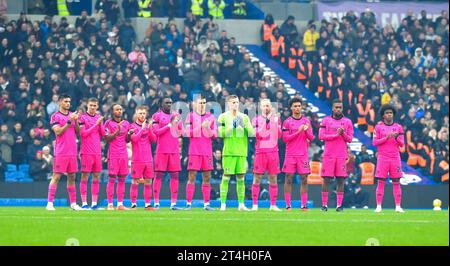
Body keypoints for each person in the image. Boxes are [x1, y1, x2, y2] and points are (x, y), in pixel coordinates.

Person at [218, 95, 255, 211]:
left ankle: (241, 204)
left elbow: (252, 133)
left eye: (237, 102)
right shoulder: (222, 117)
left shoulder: (244, 117)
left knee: (241, 178)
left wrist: (244, 126)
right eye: (233, 102)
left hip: (241, 152)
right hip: (229, 152)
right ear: (228, 103)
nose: (236, 104)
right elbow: (220, 133)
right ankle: (223, 204)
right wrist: (233, 126)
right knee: (226, 177)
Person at [46, 94, 81, 211]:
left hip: (72, 152)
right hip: (61, 152)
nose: (68, 103)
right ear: (60, 102)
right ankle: (50, 203)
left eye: (69, 101)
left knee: (72, 177)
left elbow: (78, 132)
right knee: (56, 176)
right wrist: (68, 122)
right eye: (66, 101)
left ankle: (73, 204)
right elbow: (58, 132)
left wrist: (75, 121)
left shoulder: (72, 115)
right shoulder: (55, 116)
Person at [319, 99, 354, 212]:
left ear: (342, 108)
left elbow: (350, 139)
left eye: (340, 107)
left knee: (340, 180)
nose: (338, 109)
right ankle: (324, 205)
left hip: (341, 155)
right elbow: (321, 136)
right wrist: (335, 135)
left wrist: (343, 133)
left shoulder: (348, 122)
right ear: (333, 108)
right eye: (336, 107)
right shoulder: (325, 120)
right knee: (326, 180)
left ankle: (339, 206)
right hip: (328, 155)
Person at [184, 94, 217, 211]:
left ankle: (206, 204)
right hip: (194, 152)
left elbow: (215, 135)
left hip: (207, 152)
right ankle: (188, 204)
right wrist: (201, 127)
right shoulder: (190, 116)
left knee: (207, 178)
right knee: (191, 177)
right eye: (200, 103)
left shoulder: (211, 117)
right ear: (195, 104)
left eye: (203, 103)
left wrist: (207, 128)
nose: (202, 105)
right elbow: (188, 133)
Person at [282, 98, 314, 211]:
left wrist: (306, 131)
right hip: (290, 154)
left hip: (303, 154)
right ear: (291, 108)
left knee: (304, 179)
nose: (297, 108)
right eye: (295, 106)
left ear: (301, 107)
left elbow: (311, 138)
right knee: (288, 178)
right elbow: (285, 139)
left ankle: (304, 205)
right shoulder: (287, 122)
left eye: (299, 106)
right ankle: (288, 205)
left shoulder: (306, 121)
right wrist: (298, 132)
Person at [152, 97, 184, 210]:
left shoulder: (176, 115)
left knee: (175, 176)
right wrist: (169, 125)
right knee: (158, 176)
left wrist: (177, 125)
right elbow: (156, 132)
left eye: (171, 102)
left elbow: (181, 132)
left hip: (174, 151)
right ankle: (156, 202)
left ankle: (173, 204)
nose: (169, 104)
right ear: (161, 104)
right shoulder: (157, 116)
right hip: (161, 150)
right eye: (167, 103)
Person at [373, 104, 405, 213]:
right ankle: (378, 206)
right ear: (383, 115)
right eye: (387, 113)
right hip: (383, 158)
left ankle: (398, 207)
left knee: (396, 181)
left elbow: (402, 144)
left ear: (393, 114)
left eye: (390, 113)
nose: (389, 114)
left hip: (395, 158)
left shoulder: (398, 127)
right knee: (381, 181)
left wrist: (396, 137)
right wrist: (385, 138)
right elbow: (375, 142)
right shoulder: (378, 127)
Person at [251, 99, 282, 212]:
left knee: (273, 178)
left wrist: (275, 123)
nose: (266, 107)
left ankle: (273, 205)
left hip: (273, 152)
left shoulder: (276, 119)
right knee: (257, 178)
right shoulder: (256, 120)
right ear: (260, 107)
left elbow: (279, 135)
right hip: (260, 152)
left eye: (268, 105)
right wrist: (267, 122)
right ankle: (255, 205)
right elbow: (258, 134)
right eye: (264, 106)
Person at [77, 98, 105, 210]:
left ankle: (94, 204)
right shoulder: (82, 118)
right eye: (91, 105)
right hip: (86, 152)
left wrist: (100, 124)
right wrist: (96, 124)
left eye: (94, 105)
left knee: (96, 177)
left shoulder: (98, 118)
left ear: (97, 107)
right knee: (85, 177)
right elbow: (83, 134)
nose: (92, 107)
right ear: (87, 105)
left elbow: (103, 133)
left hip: (97, 152)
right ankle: (84, 203)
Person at [104, 104, 132, 211]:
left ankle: (120, 204)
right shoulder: (108, 123)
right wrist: (117, 131)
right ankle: (110, 204)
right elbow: (107, 138)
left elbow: (127, 140)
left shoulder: (126, 123)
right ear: (112, 111)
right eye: (117, 109)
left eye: (120, 109)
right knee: (111, 179)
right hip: (113, 154)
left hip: (123, 154)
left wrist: (129, 134)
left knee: (122, 179)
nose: (119, 111)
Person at [129, 106, 157, 210]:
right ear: (136, 114)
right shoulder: (132, 127)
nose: (142, 115)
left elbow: (153, 139)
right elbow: (134, 139)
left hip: (148, 159)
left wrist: (149, 128)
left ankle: (147, 204)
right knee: (135, 182)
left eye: (143, 113)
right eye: (140, 113)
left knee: (148, 181)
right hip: (137, 159)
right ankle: (133, 204)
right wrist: (142, 129)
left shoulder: (148, 127)